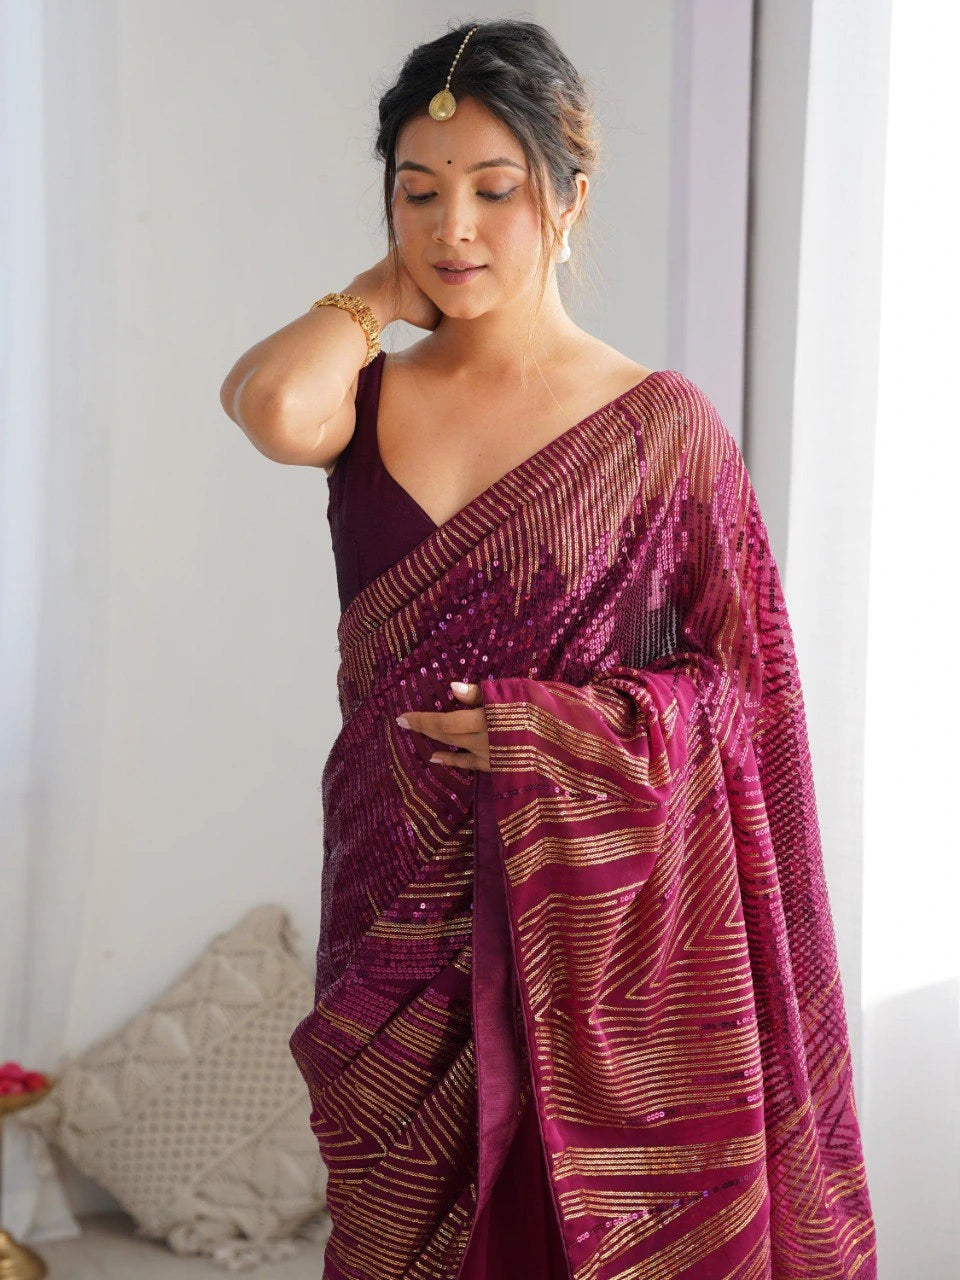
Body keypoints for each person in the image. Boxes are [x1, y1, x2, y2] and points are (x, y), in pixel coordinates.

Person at [219, 19, 877, 1280]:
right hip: (399, 896)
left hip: (609, 934)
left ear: (570, 200)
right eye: (419, 191)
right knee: (405, 1228)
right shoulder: (371, 390)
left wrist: (553, 731)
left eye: (494, 189)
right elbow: (268, 406)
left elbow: (744, 696)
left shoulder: (661, 427)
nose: (453, 225)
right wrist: (379, 292)